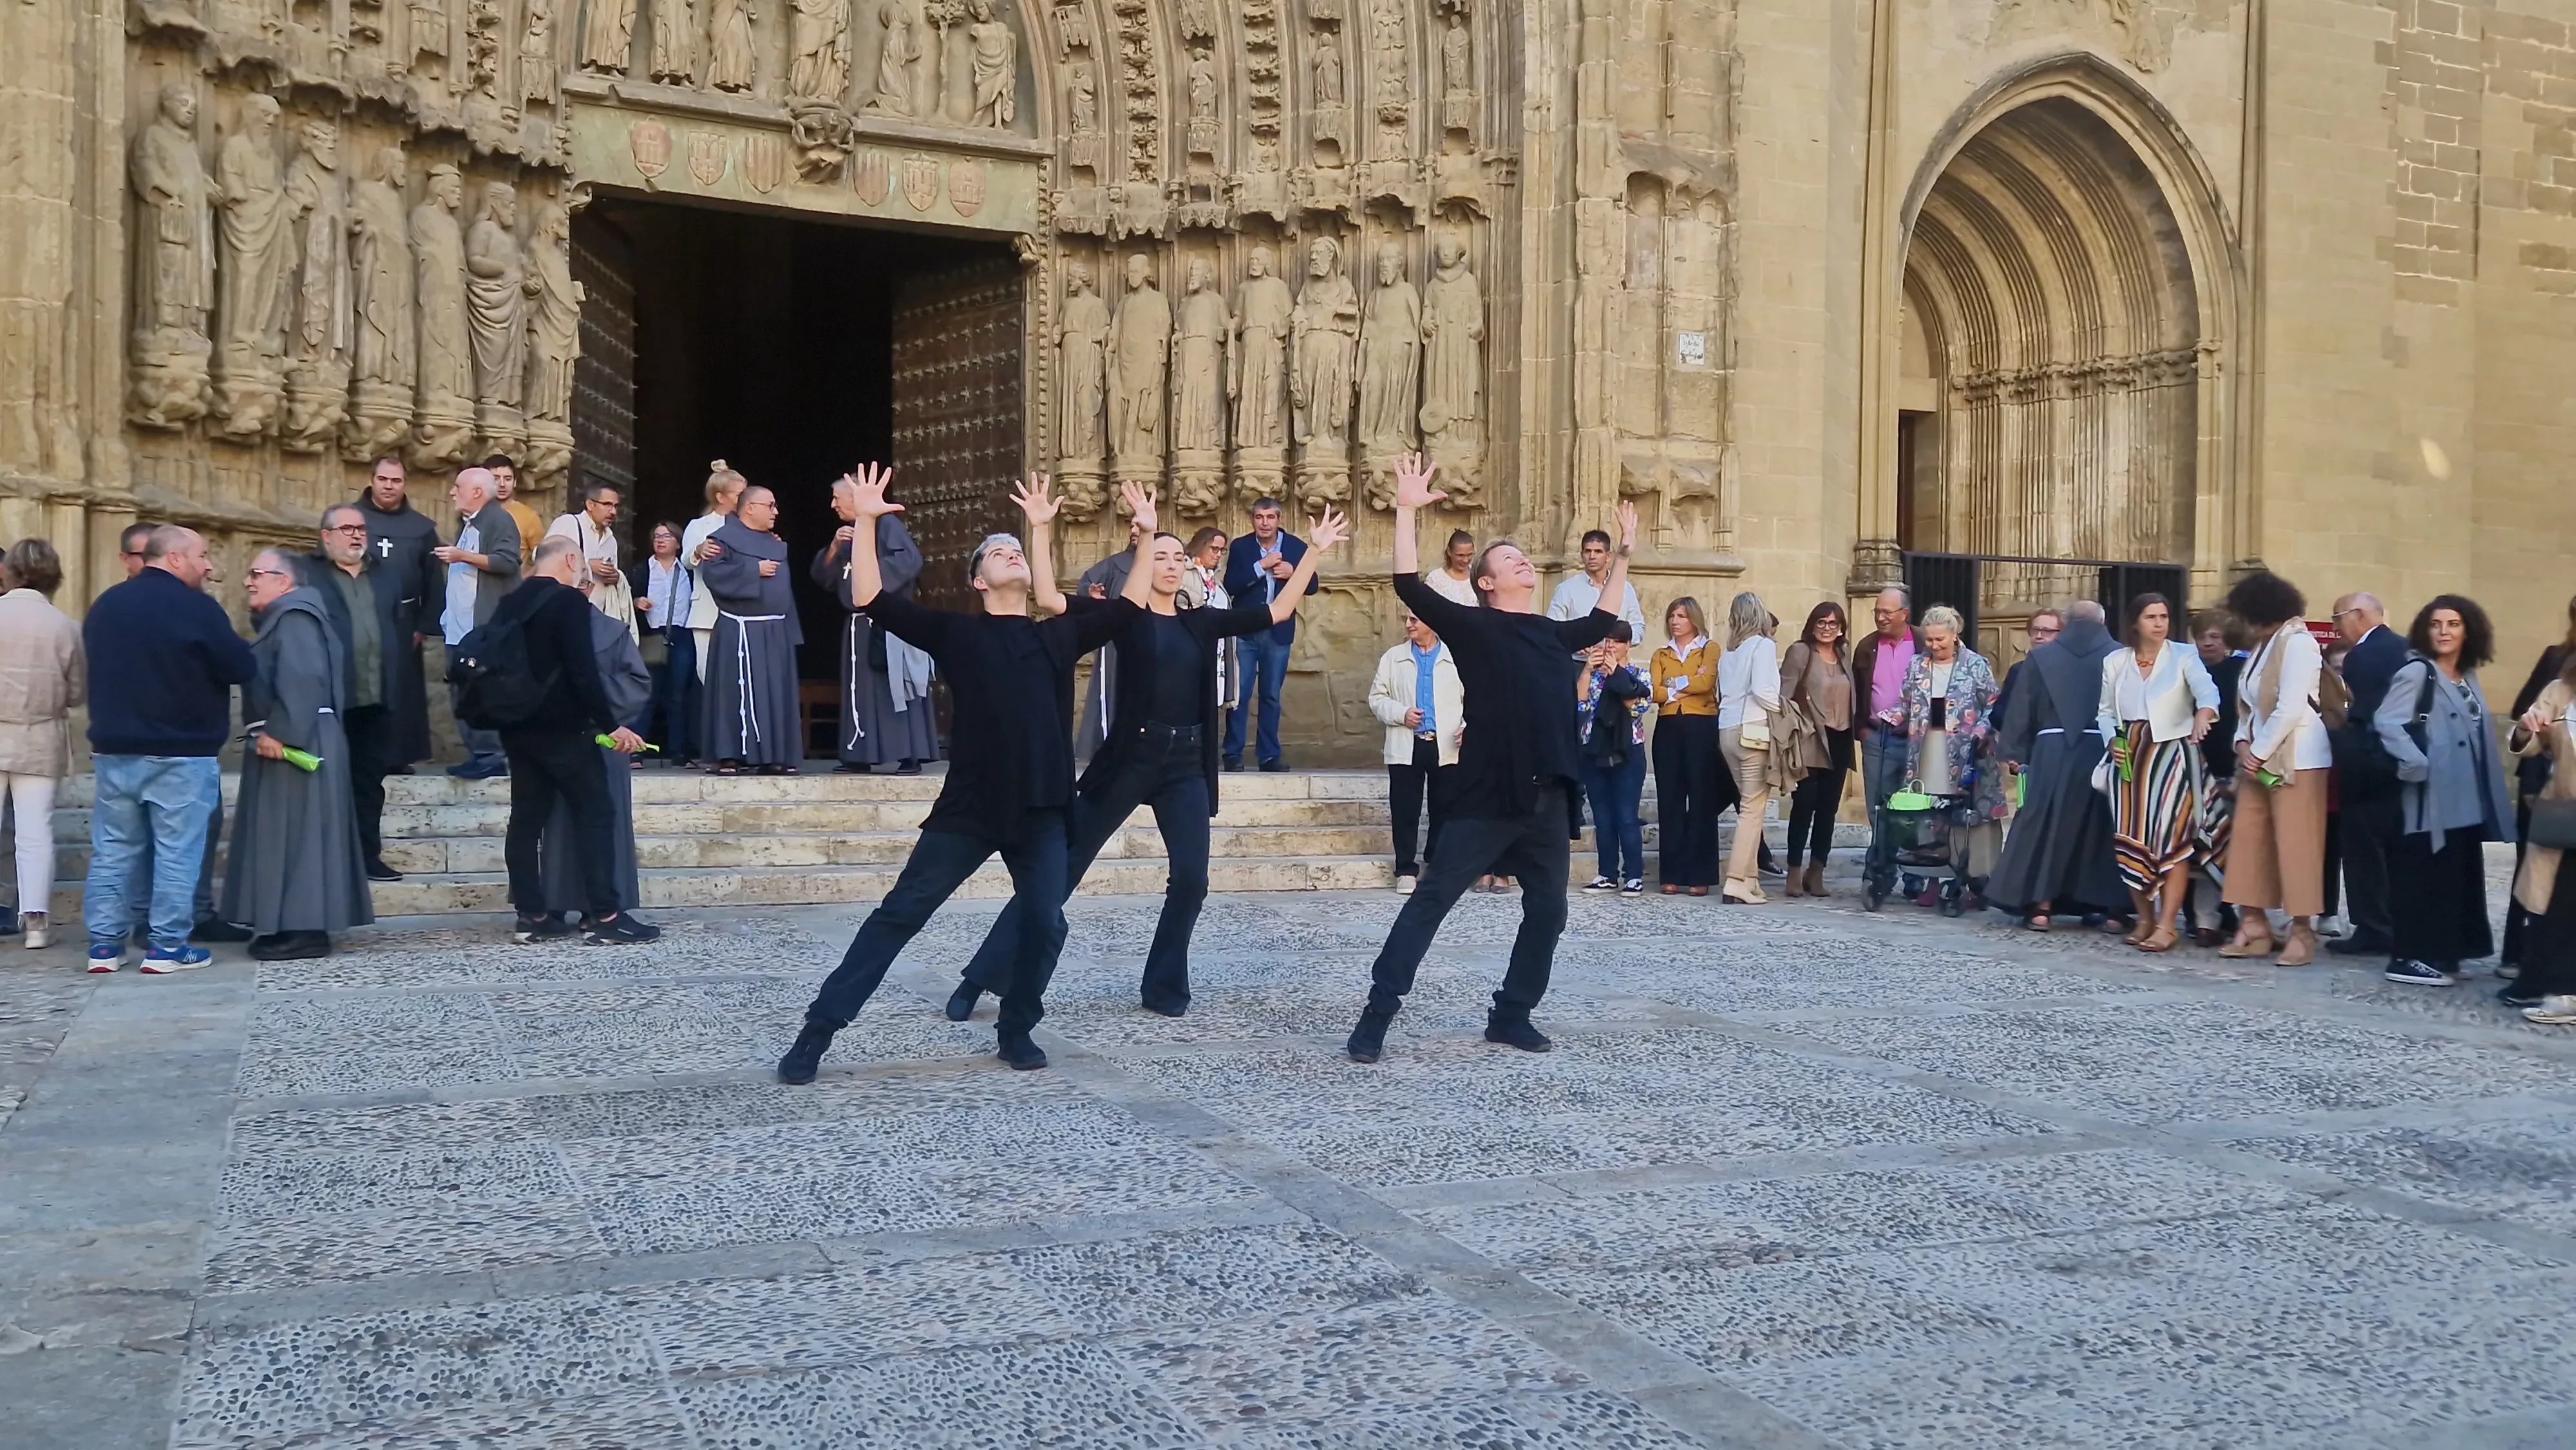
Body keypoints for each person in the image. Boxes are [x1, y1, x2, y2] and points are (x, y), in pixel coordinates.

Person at [778, 474, 1152, 1081]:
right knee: (899, 914)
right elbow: (871, 597)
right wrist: (868, 522)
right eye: (996, 552)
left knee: (1045, 922)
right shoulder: (956, 632)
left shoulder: (1057, 634)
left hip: (1041, 812)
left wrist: (1069, 531)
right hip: (971, 808)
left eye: (1016, 551)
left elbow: (1132, 607)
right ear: (979, 580)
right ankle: (818, 1030)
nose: (1009, 553)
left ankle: (1016, 1026)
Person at [947, 494, 1349, 1020]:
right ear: (1140, 561)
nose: (1172, 563)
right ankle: (982, 976)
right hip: (1131, 758)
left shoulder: (1200, 621)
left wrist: (1314, 551)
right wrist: (1042, 530)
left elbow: (1275, 611)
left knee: (1191, 880)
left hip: (1185, 764)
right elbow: (1048, 598)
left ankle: (1161, 985)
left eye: (1178, 557)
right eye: (1160, 555)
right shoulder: (1125, 618)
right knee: (1060, 870)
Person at [1343, 453, 1636, 1065]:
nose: (1522, 561)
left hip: (1549, 797)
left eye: (1522, 557)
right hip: (1485, 795)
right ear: (1486, 582)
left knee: (1549, 912)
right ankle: (1377, 1014)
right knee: (1432, 903)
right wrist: (1404, 510)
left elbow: (1606, 617)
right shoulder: (1474, 627)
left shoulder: (1553, 634)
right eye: (1507, 560)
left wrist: (1626, 551)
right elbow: (1406, 585)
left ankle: (1511, 1015)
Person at [81, 526, 256, 972]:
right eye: (202, 556)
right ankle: (167, 947)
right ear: (175, 558)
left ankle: (104, 947)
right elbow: (241, 665)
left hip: (114, 748)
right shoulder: (197, 608)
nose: (210, 565)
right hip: (182, 751)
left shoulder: (106, 605)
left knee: (113, 849)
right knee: (178, 851)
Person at [481, 534, 656, 945]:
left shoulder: (510, 604)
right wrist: (610, 723)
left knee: (525, 822)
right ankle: (607, 918)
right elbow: (583, 672)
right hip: (565, 730)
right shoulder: (569, 602)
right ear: (572, 560)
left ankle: (532, 916)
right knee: (596, 815)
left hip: (519, 731)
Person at [223, 549, 374, 960]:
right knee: (286, 835)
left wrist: (280, 733)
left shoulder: (295, 618)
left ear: (284, 581)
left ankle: (306, 929)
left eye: (257, 574)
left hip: (298, 738)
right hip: (296, 733)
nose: (248, 581)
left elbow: (303, 678)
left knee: (301, 836)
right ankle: (285, 923)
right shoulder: (290, 616)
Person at [2374, 596, 2515, 986]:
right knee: (2422, 874)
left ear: (2468, 630)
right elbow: (2387, 722)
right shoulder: (2419, 672)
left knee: (2454, 876)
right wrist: (2415, 762)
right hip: (2429, 798)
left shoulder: (2466, 675)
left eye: (2453, 624)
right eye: (2436, 624)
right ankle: (2409, 956)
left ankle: (2445, 952)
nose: (2444, 632)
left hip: (2465, 797)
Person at [2096, 594, 2221, 952]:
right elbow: (2104, 711)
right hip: (2129, 755)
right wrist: (2111, 742)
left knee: (2173, 840)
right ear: (2135, 622)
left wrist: (2204, 713)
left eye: (2164, 616)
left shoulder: (2184, 654)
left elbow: (2207, 690)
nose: (2159, 623)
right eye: (2151, 616)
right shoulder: (2116, 661)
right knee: (2131, 837)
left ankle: (2168, 924)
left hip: (2172, 753)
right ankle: (2145, 918)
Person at [1988, 601, 2122, 930]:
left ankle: (2041, 905)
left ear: (2068, 623)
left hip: (2052, 750)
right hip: (2105, 748)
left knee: (2047, 822)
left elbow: (2022, 708)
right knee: (2102, 826)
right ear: (2103, 622)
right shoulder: (2120, 655)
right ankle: (2109, 908)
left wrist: (2015, 750)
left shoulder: (2041, 657)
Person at [2219, 571, 2330, 966]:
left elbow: (2291, 706)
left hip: (2298, 758)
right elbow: (2247, 707)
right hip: (2261, 758)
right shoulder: (2264, 647)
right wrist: (2243, 743)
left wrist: (2258, 752)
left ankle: (2302, 929)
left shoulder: (2298, 643)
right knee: (2249, 839)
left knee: (2296, 845)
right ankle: (2253, 921)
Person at [296, 504, 407, 881]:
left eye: (361, 528)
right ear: (326, 535)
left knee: (368, 783)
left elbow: (395, 625)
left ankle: (366, 855)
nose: (357, 535)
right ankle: (323, 858)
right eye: (347, 529)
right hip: (328, 699)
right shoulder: (306, 574)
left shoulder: (385, 574)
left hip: (375, 697)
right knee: (322, 783)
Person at [812, 471, 937, 775]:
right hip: (859, 628)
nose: (833, 505)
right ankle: (859, 754)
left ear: (856, 499)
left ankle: (910, 755)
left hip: (889, 621)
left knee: (899, 689)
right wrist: (832, 549)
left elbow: (909, 560)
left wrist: (868, 575)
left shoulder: (886, 524)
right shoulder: (847, 534)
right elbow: (824, 579)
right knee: (862, 693)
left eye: (837, 499)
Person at [541, 596, 654, 923]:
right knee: (559, 822)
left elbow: (637, 681)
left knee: (604, 822)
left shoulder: (613, 631)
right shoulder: (543, 628)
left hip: (604, 741)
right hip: (562, 739)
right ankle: (554, 900)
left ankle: (600, 907)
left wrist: (584, 699)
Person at [0, 540, 84, 949]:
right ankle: (36, 922)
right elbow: (76, 694)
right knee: (35, 832)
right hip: (40, 736)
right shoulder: (66, 626)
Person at [1899, 604, 2005, 916]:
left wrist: (1983, 730)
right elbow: (1905, 704)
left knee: (1966, 812)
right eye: (1929, 640)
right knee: (1930, 811)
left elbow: (1993, 704)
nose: (1933, 646)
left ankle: (1972, 879)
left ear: (1955, 635)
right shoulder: (1917, 665)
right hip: (1927, 746)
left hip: (1965, 749)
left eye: (1940, 641)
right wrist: (1888, 716)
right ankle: (1932, 878)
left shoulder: (1976, 665)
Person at [696, 483, 804, 775]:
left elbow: (785, 588)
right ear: (750, 508)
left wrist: (789, 628)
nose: (776, 512)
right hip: (739, 631)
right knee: (734, 692)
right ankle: (730, 754)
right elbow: (714, 576)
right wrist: (752, 571)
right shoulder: (721, 540)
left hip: (774, 631)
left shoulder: (775, 542)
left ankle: (774, 755)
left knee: (774, 692)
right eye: (770, 506)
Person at [2325, 591, 2409, 958]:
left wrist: (2339, 738)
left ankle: (2373, 928)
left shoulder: (2364, 654)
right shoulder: (2406, 648)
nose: (2334, 627)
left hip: (2368, 763)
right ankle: (2393, 922)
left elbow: (2361, 711)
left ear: (2358, 616)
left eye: (2337, 618)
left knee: (2363, 851)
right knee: (2393, 852)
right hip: (2399, 766)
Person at [2501, 596, 2575, 971]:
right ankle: (2529, 964)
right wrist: (2525, 732)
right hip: (2562, 803)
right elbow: (2526, 729)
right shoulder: (2560, 683)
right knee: (2547, 889)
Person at [354, 456, 440, 769]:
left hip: (405, 622)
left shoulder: (421, 529)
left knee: (400, 690)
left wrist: (424, 624)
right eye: (383, 480)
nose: (389, 486)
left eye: (396, 481)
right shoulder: (351, 519)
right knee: (363, 685)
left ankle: (396, 756)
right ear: (372, 480)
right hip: (358, 616)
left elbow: (433, 577)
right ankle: (361, 753)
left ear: (405, 484)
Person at [437, 466, 522, 778]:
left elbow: (508, 561)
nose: (451, 492)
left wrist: (462, 556)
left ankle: (491, 754)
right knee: (461, 690)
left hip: (482, 630)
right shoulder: (468, 523)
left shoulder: (499, 519)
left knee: (482, 690)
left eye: (457, 486)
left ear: (476, 492)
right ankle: (478, 753)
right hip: (459, 629)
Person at [1222, 496, 1318, 771]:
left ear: (1280, 520)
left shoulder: (1296, 547)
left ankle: (1268, 756)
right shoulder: (1241, 547)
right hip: (1245, 631)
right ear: (1252, 520)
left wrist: (1292, 573)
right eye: (1259, 518)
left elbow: (1312, 585)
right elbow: (1231, 585)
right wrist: (1260, 566)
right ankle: (1232, 753)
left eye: (1270, 517)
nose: (1265, 523)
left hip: (1278, 633)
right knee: (1238, 695)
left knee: (1271, 696)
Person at [1370, 609, 1462, 894]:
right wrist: (1401, 713)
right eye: (1407, 620)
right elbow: (1376, 698)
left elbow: (1474, 697)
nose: (1408, 625)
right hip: (1406, 742)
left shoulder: (1455, 657)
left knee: (1444, 807)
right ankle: (1406, 869)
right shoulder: (1393, 658)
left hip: (1445, 743)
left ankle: (1435, 862)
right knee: (1405, 808)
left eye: (1415, 620)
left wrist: (1467, 725)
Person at [1779, 601, 1855, 899]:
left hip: (1840, 737)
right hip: (1809, 738)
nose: (1827, 629)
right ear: (1812, 625)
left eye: (1833, 624)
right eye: (1822, 623)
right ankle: (1794, 871)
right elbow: (1784, 695)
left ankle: (1817, 871)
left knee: (1828, 809)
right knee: (1804, 804)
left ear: (1841, 629)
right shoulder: (1801, 652)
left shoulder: (1844, 655)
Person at [1855, 585, 1924, 907]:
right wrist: (1862, 730)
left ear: (1904, 614)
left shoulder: (1924, 643)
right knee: (1878, 809)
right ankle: (1881, 873)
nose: (1881, 618)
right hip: (1877, 738)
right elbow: (1856, 690)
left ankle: (1913, 874)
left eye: (1887, 612)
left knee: (1914, 807)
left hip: (1916, 740)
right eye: (1877, 612)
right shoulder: (1867, 646)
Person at [1648, 598, 1720, 895]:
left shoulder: (1709, 649)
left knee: (1702, 799)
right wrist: (1686, 682)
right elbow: (1654, 690)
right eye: (1672, 616)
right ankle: (1672, 873)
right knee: (1671, 801)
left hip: (1701, 727)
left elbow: (1707, 684)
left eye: (1681, 616)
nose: (1675, 621)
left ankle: (1700, 874)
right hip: (1668, 728)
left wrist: (1673, 686)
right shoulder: (1661, 653)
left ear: (1694, 620)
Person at [2182, 610, 2246, 945]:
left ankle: (2225, 913)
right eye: (2202, 636)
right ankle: (2200, 918)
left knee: (2228, 845)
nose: (2207, 642)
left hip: (2229, 770)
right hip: (2191, 770)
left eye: (2215, 636)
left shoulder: (2240, 672)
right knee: (2196, 844)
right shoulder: (2186, 670)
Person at [1716, 592, 1782, 904]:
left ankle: (1752, 878)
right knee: (1752, 809)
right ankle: (1737, 880)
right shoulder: (1763, 646)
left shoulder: (1729, 652)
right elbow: (1764, 690)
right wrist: (1784, 710)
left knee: (1749, 804)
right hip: (1753, 729)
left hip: (1727, 730)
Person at [1577, 624, 1652, 895]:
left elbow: (1638, 705)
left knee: (1626, 816)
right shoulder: (1594, 676)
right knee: (1603, 817)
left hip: (1628, 750)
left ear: (1628, 645)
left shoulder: (1638, 674)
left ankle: (1633, 875)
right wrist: (1587, 670)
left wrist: (1615, 674)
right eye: (1606, 640)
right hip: (1594, 749)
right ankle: (1606, 874)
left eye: (1617, 642)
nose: (1610, 646)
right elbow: (1580, 705)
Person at [681, 462, 746, 693]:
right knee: (708, 674)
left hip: (741, 610)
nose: (745, 499)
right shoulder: (699, 526)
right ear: (720, 497)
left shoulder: (748, 526)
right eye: (739, 495)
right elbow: (686, 560)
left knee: (740, 676)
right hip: (706, 612)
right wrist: (698, 550)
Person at [545, 480, 637, 636]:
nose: (613, 512)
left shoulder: (611, 540)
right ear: (590, 505)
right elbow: (542, 557)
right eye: (607, 505)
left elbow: (611, 577)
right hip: (565, 612)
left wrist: (616, 577)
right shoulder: (568, 523)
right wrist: (587, 566)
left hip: (598, 617)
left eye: (616, 506)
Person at [636, 521, 694, 762]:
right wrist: (637, 600)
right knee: (646, 693)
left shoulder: (690, 572)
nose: (660, 540)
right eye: (657, 536)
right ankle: (635, 750)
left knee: (679, 695)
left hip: (682, 635)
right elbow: (623, 596)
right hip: (651, 634)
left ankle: (679, 752)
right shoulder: (641, 570)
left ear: (679, 544)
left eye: (667, 536)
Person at [1546, 528, 1649, 645]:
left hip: (1615, 660)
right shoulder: (1566, 589)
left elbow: (1638, 626)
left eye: (1598, 552)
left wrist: (1620, 643)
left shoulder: (1625, 588)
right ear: (1582, 555)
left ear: (1608, 556)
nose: (1592, 556)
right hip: (1578, 661)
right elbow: (1553, 628)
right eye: (1588, 551)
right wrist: (1575, 643)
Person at [1990, 608, 2063, 735]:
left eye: (2046, 631)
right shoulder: (2017, 670)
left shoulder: (2069, 671)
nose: (2039, 636)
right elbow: (1999, 714)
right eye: (2035, 630)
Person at [486, 453, 545, 562]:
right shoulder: (475, 512)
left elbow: (541, 557)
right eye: (496, 479)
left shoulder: (529, 516)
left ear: (515, 482)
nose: (502, 484)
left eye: (508, 479)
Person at [1425, 528, 1481, 608]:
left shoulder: (1478, 575)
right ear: (1449, 552)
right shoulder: (1435, 579)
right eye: (1460, 555)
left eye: (1469, 555)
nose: (1465, 560)